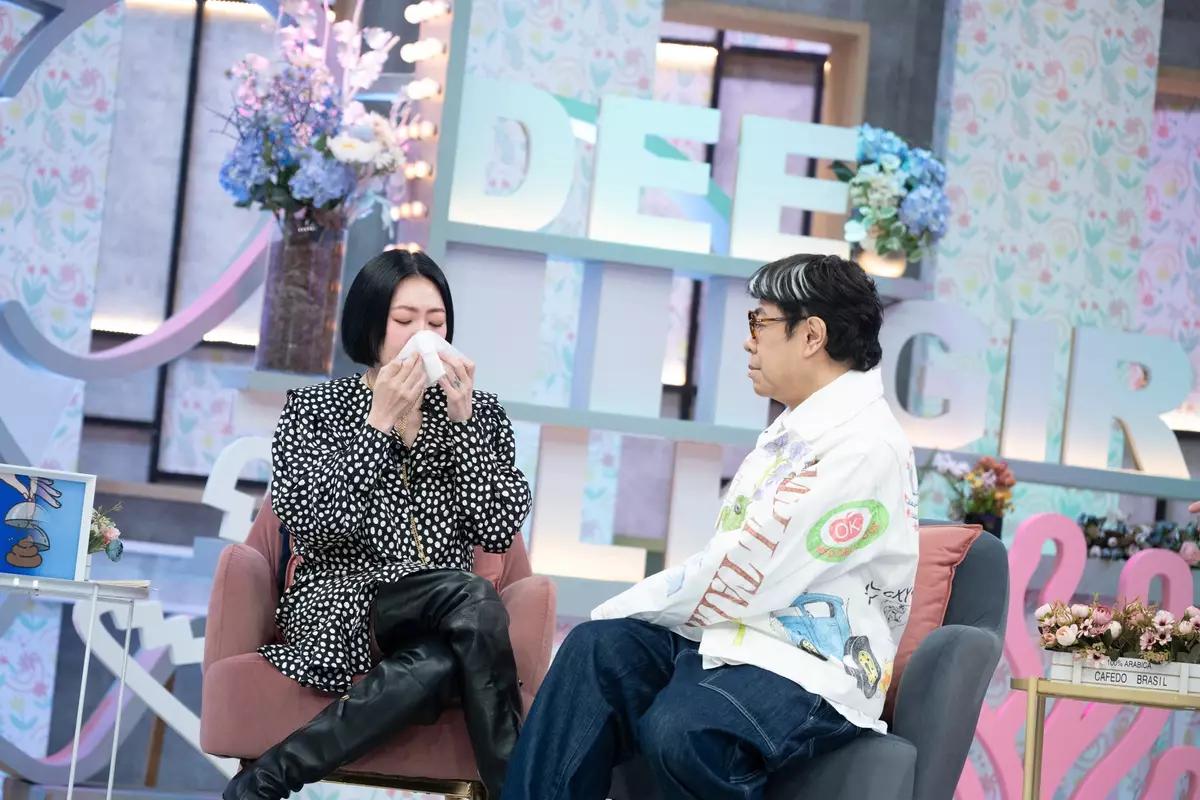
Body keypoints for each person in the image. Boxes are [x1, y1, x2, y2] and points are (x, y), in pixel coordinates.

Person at [502, 254, 920, 800]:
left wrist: (630, 604)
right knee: (594, 650)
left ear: (812, 335)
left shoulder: (865, 446)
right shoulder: (796, 428)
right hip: (736, 640)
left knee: (682, 729)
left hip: (806, 667)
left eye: (761, 322)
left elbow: (746, 570)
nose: (749, 341)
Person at [224, 250, 532, 800]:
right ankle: (522, 790)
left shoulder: (478, 412)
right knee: (473, 599)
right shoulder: (316, 408)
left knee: (444, 656)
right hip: (343, 603)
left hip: (445, 617)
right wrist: (378, 423)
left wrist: (463, 424)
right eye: (405, 320)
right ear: (371, 326)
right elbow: (312, 526)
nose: (423, 335)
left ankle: (263, 781)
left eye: (436, 322)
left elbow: (497, 526)